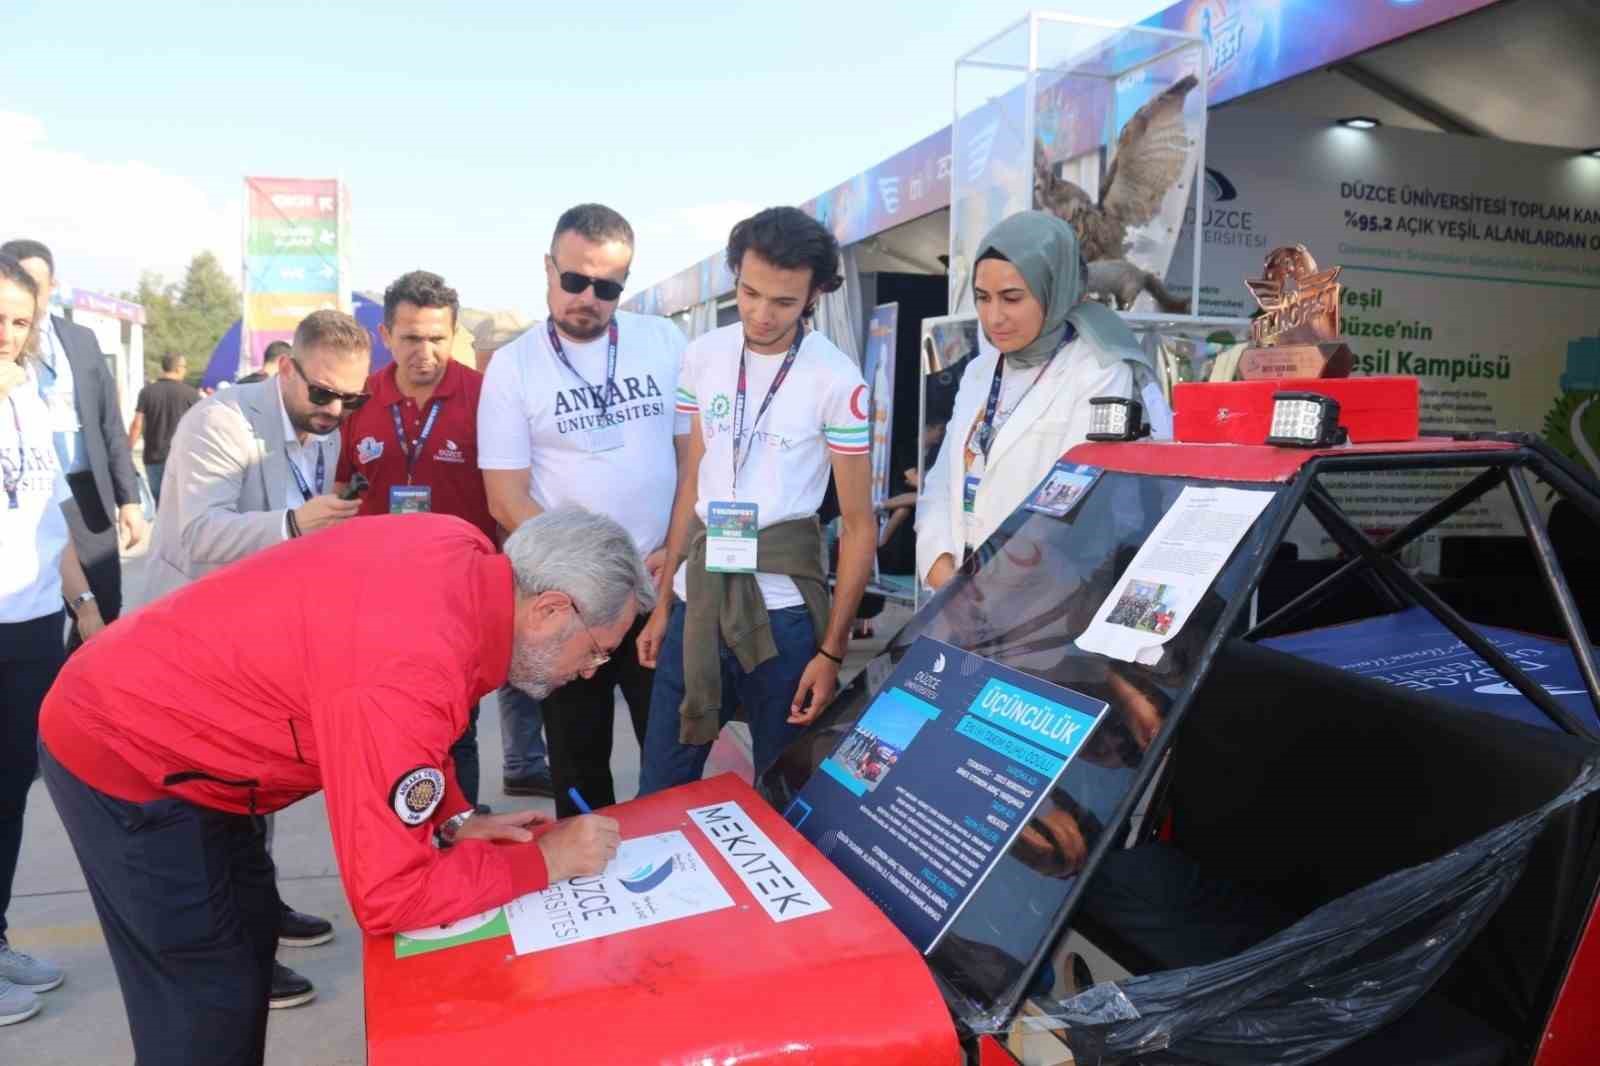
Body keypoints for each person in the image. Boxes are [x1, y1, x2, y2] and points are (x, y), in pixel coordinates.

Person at [38, 508, 637, 1065]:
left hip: (194, 736)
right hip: (127, 752)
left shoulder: (463, 548)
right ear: (550, 609)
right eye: (596, 653)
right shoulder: (405, 669)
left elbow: (418, 729)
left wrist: (453, 816)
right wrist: (545, 861)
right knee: (203, 996)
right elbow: (390, 895)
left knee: (247, 948)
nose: (589, 673)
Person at [141, 309, 367, 1007]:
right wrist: (295, 524)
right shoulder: (223, 424)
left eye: (350, 400)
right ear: (286, 369)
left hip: (261, 646)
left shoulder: (321, 432)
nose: (335, 411)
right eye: (323, 394)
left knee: (252, 799)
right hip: (195, 649)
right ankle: (240, 956)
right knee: (213, 813)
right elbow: (193, 534)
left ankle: (261, 914)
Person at [637, 207, 875, 793]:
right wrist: (665, 605)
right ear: (734, 276)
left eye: (784, 302)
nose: (761, 315)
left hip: (785, 613)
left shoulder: (837, 378)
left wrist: (832, 651)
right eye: (748, 292)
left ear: (815, 294)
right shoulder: (703, 355)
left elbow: (859, 524)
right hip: (698, 600)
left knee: (782, 789)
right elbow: (691, 480)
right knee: (662, 786)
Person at [479, 204, 686, 818]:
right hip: (568, 606)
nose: (588, 299)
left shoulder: (665, 341)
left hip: (659, 589)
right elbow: (506, 497)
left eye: (608, 287)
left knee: (673, 756)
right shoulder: (514, 367)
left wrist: (675, 557)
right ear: (548, 269)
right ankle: (588, 889)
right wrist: (588, 580)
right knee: (577, 764)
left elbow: (692, 463)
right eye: (574, 281)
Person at [916, 210, 1169, 590]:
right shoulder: (980, 372)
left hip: (1045, 599)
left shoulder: (1101, 371)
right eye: (983, 298)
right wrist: (940, 566)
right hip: (959, 595)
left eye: (1012, 298)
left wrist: (991, 591)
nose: (994, 317)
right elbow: (941, 483)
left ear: (1055, 289)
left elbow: (1077, 504)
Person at [334, 270, 495, 807]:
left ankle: (461, 834)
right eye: (410, 338)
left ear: (454, 335)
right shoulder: (360, 404)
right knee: (387, 727)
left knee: (457, 730)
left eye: (437, 338)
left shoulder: (484, 398)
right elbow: (339, 492)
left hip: (459, 600)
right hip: (377, 600)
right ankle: (403, 834)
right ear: (385, 337)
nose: (424, 352)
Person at [0, 254, 102, 1027]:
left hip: (33, 624)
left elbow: (52, 520)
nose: (7, 333)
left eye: (20, 321)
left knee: (10, 793)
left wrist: (87, 609)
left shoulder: (33, 398)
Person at [0, 239, 146, 645]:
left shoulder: (78, 342)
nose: (8, 334)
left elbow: (108, 423)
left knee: (102, 608)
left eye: (19, 321)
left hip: (78, 491)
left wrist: (129, 499)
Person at [128, 351, 201, 507]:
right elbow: (201, 426)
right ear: (179, 368)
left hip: (153, 457)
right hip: (182, 458)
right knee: (181, 504)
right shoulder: (191, 394)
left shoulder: (147, 392)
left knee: (160, 505)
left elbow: (137, 424)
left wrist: (127, 450)